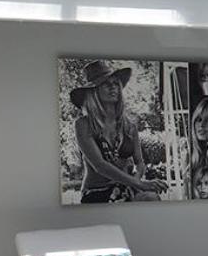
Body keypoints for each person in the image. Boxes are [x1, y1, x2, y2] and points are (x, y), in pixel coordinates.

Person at [69, 61, 165, 203]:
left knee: (152, 198)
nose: (113, 87)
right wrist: (138, 184)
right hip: (97, 191)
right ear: (94, 91)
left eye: (115, 83)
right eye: (106, 84)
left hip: (127, 187)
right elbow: (99, 165)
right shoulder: (83, 124)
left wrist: (136, 181)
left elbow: (139, 162)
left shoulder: (130, 126)